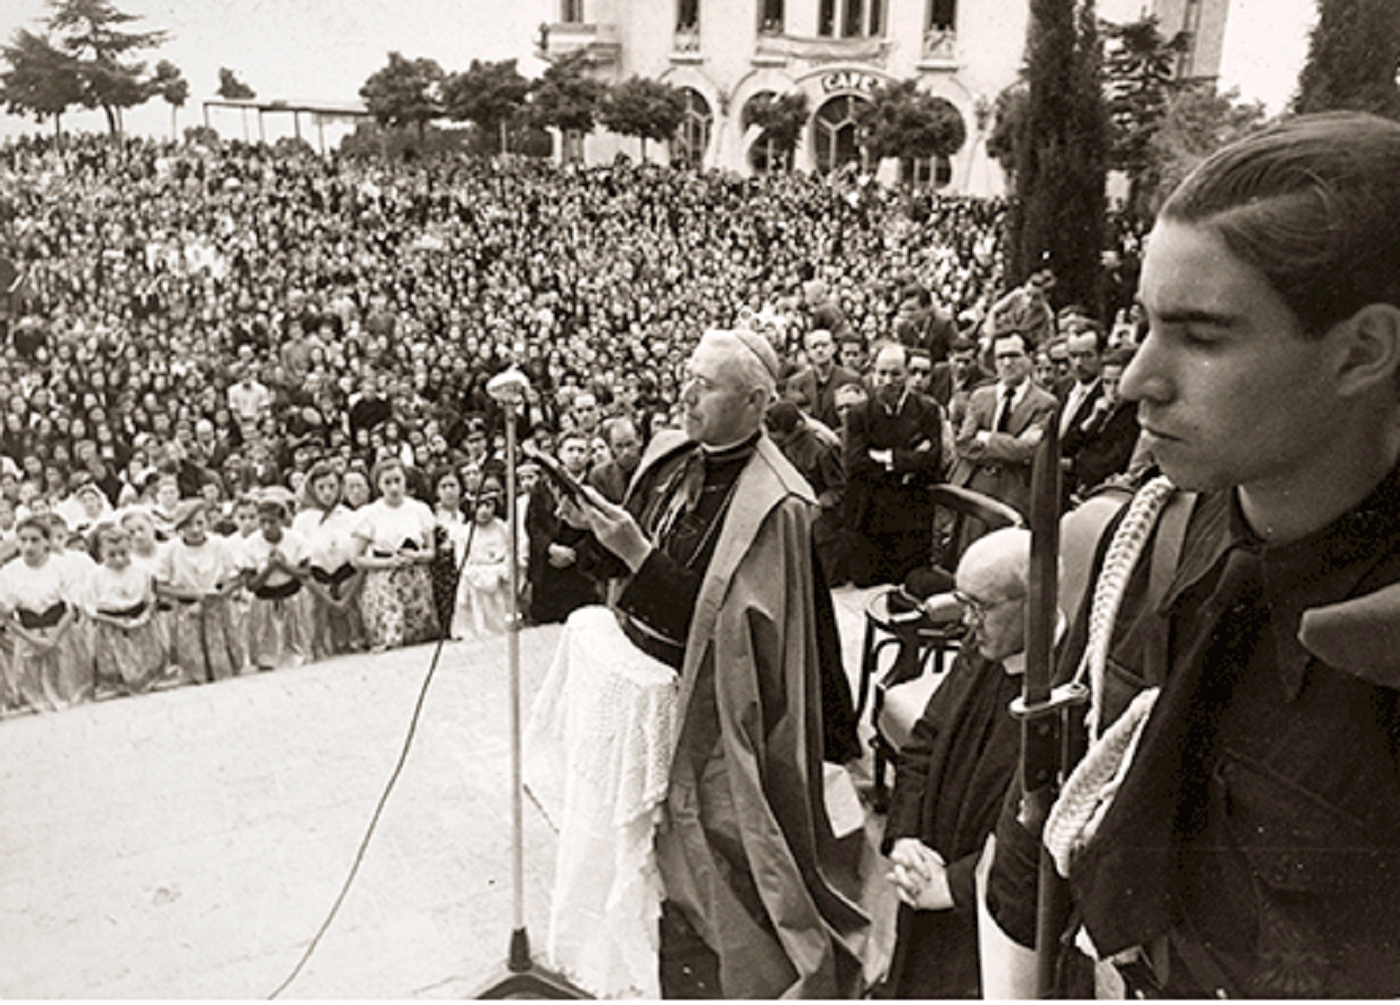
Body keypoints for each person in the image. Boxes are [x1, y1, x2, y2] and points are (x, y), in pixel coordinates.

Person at [986, 112, 1400, 999]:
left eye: (1203, 336)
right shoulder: (1150, 536)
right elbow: (1054, 813)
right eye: (1143, 324)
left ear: (1362, 351)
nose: (1139, 377)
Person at [551, 329, 866, 997]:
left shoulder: (779, 506)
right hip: (639, 686)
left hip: (709, 703)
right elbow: (619, 569)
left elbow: (734, 635)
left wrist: (639, 555)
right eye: (687, 375)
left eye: (706, 384)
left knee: (721, 848)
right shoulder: (670, 454)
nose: (686, 392)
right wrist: (591, 535)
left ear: (755, 401)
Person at [878, 527, 1033, 999]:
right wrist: (905, 836)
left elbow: (1041, 839)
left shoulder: (1066, 689)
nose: (967, 622)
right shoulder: (985, 645)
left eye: (980, 608)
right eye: (964, 603)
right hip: (931, 861)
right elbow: (924, 741)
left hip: (989, 910)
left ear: (1035, 601)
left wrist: (957, 886)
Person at [843, 342, 945, 588]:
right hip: (871, 516)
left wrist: (885, 457)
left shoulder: (927, 411)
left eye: (896, 374)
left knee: (909, 587)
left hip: (912, 518)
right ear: (873, 373)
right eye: (882, 373)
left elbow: (932, 461)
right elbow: (855, 463)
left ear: (908, 375)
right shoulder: (859, 413)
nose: (888, 380)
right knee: (870, 588)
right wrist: (908, 460)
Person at [951, 321, 1058, 520]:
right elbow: (964, 444)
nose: (1007, 363)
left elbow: (1027, 451)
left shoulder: (1045, 403)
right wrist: (1010, 445)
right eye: (1001, 356)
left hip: (1013, 495)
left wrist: (986, 438)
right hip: (974, 490)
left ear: (1031, 358)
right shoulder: (980, 396)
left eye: (1014, 355)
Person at [351, 458, 439, 652]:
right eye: (387, 482)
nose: (393, 487)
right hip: (384, 582)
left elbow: (431, 552)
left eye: (397, 481)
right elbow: (356, 558)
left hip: (415, 581)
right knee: (392, 639)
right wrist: (388, 562)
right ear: (379, 485)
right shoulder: (370, 514)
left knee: (419, 642)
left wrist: (416, 556)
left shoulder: (419, 510)